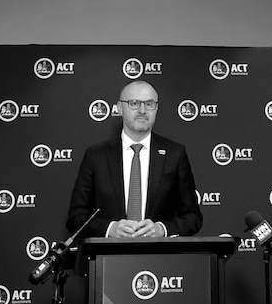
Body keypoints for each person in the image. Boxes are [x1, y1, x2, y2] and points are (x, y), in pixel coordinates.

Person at [66, 80, 202, 239]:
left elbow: (193, 218)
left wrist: (162, 229)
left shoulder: (175, 154)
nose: (142, 110)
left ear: (156, 108)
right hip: (109, 258)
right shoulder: (96, 156)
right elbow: (76, 218)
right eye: (134, 103)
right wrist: (110, 229)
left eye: (150, 104)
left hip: (160, 258)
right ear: (119, 108)